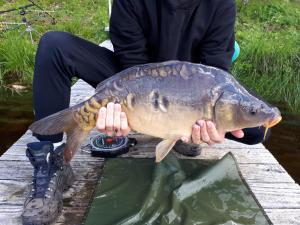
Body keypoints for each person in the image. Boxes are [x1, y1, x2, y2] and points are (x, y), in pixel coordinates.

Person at [22, 0, 269, 224]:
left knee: (256, 128)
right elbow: (133, 67)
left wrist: (197, 116)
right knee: (54, 45)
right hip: (137, 84)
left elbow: (216, 72)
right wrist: (124, 110)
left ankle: (186, 131)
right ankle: (50, 161)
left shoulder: (221, 3)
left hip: (194, 94)